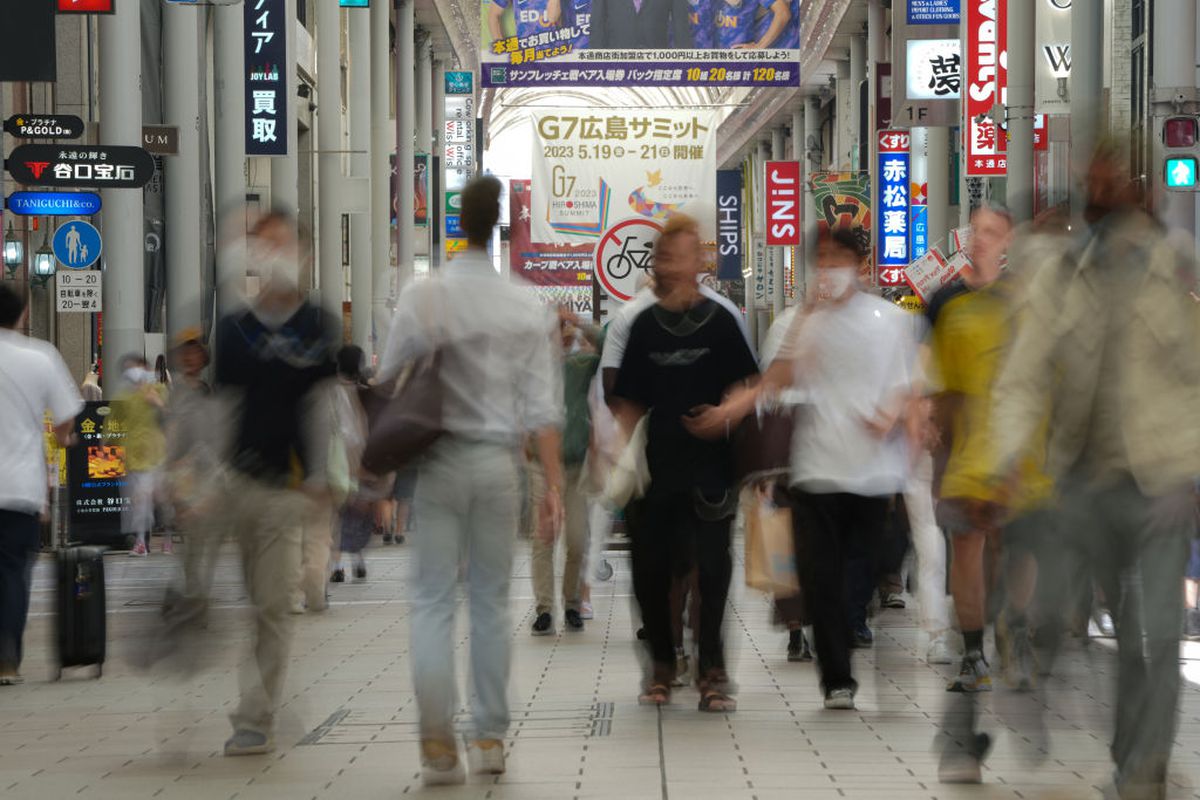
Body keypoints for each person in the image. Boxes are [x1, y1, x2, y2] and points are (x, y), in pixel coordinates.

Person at [990, 141, 1200, 800]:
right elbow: (1023, 375)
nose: (1098, 187)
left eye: (1111, 179)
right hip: (1083, 481)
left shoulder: (1175, 271)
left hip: (1161, 479)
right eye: (1092, 177)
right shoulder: (1062, 275)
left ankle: (1144, 769)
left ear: (1141, 192)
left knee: (1159, 630)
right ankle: (1123, 750)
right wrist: (1009, 457)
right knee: (1069, 619)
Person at [686, 227, 922, 712]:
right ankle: (837, 678)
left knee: (865, 568)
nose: (830, 268)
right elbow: (775, 381)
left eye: (840, 258)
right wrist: (732, 410)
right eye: (823, 259)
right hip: (815, 469)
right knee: (820, 577)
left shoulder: (890, 320)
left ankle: (855, 631)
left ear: (860, 264)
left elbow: (907, 386)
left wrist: (892, 417)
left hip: (873, 474)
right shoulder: (802, 323)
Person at [378, 175, 563, 785]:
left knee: (432, 599)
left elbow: (388, 382)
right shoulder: (524, 303)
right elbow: (542, 409)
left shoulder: (425, 296)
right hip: (497, 465)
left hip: (437, 464)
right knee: (489, 602)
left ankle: (436, 743)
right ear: (503, 223)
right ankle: (488, 736)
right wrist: (553, 489)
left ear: (461, 221)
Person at [610, 213, 759, 712]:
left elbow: (748, 385)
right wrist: (611, 453)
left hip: (712, 471)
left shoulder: (720, 321)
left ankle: (712, 670)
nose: (679, 263)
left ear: (700, 261)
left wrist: (725, 414)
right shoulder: (643, 326)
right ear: (660, 263)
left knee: (713, 571)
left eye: (689, 252)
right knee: (650, 572)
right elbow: (628, 400)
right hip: (659, 473)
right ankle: (660, 664)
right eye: (670, 255)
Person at [213, 211, 338, 757]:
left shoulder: (317, 324)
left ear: (302, 256)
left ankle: (255, 716)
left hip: (286, 488)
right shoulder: (233, 327)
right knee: (247, 598)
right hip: (235, 481)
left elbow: (322, 403)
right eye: (261, 245)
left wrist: (319, 473)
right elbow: (221, 407)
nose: (270, 254)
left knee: (271, 604)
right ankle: (256, 701)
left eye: (281, 245)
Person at [926, 205, 1050, 698]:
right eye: (975, 231)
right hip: (964, 454)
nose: (980, 239)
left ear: (1008, 241)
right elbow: (941, 381)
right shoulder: (947, 303)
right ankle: (974, 652)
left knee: (1016, 548)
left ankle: (1015, 635)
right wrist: (934, 430)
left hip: (1020, 450)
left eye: (992, 232)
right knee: (967, 549)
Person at [0, 284, 83, 686]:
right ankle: (8, 658)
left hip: (20, 487)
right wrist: (63, 437)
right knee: (14, 573)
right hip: (20, 489)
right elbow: (67, 419)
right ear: (23, 313)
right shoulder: (41, 356)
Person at [530, 308, 602, 636]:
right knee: (544, 538)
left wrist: (577, 320)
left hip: (573, 465)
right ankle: (544, 608)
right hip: (538, 466)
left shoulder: (580, 367)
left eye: (563, 330)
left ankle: (572, 602)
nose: (559, 336)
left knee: (576, 538)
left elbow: (605, 343)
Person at [108, 354, 168, 556]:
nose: (133, 371)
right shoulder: (123, 395)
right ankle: (141, 541)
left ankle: (166, 536)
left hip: (158, 452)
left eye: (137, 367)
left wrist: (158, 402)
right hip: (133, 454)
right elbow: (111, 421)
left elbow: (174, 415)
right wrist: (106, 444)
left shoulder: (160, 389)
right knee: (139, 500)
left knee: (161, 498)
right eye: (128, 368)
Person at [588, 0, 693, 49]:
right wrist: (596, 62)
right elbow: (597, 23)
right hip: (616, 61)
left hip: (656, 62)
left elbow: (681, 26)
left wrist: (686, 65)